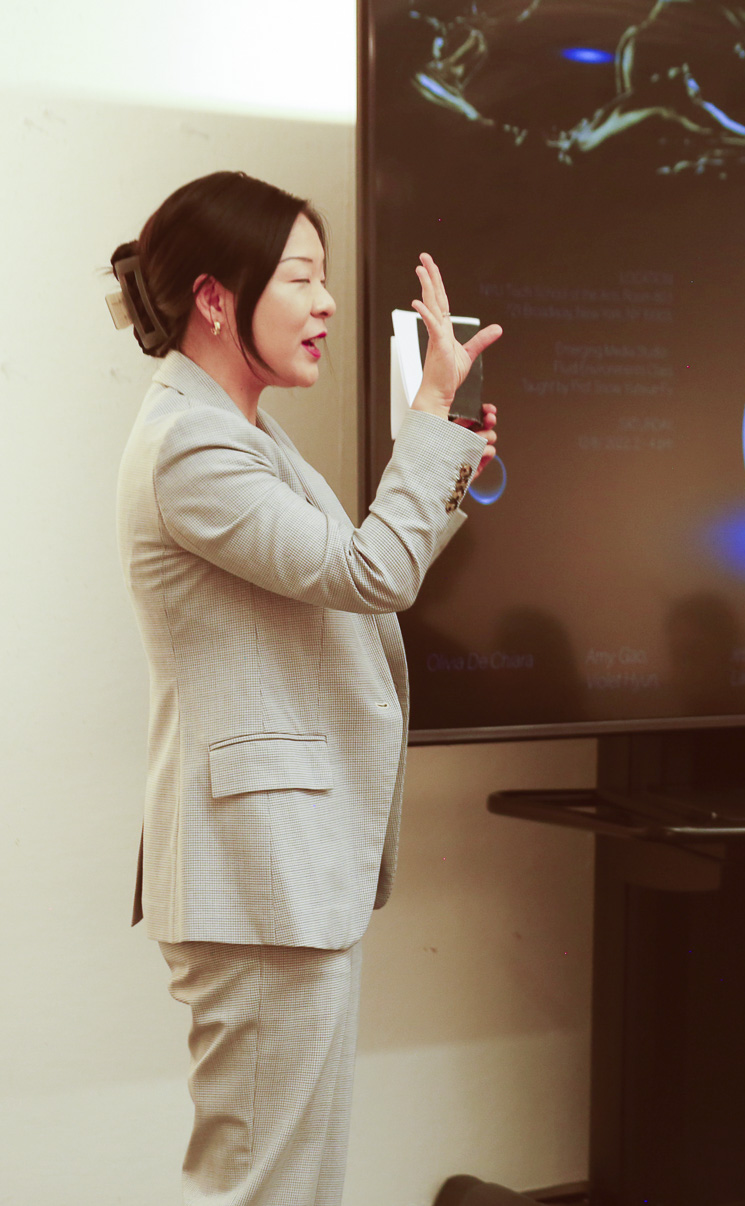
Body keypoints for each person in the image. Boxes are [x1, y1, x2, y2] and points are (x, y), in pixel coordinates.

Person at [112, 170, 500, 1205]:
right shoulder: (193, 445)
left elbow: (350, 573)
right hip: (255, 880)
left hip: (284, 875)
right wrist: (428, 408)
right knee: (267, 1189)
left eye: (324, 279)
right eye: (302, 277)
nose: (326, 302)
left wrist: (446, 462)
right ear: (213, 296)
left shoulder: (238, 429)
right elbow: (370, 574)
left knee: (289, 1186)